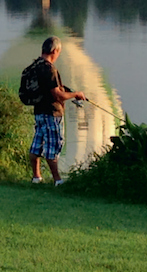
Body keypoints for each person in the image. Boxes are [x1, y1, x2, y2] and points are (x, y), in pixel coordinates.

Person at [29, 36, 85, 186]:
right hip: (52, 113)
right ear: (55, 50)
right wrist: (76, 94)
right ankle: (58, 181)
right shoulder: (50, 68)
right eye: (59, 52)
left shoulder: (35, 66)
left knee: (37, 146)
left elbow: (47, 89)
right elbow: (57, 95)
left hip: (39, 112)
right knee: (52, 147)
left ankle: (36, 177)